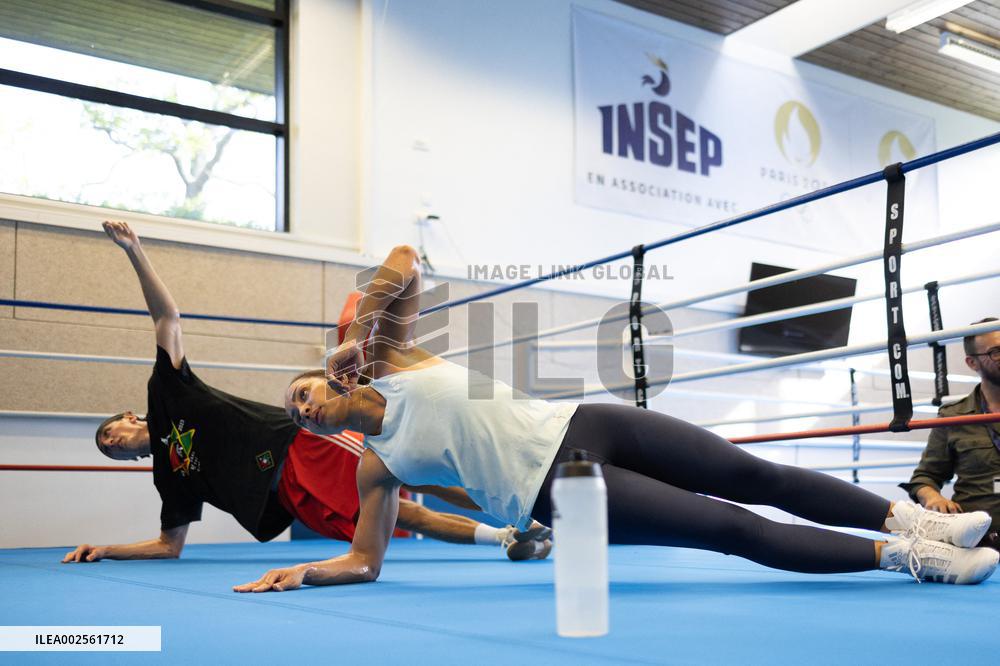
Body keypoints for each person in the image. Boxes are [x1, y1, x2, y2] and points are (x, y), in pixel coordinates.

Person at [235, 245, 999, 593]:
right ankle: (914, 561)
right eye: (296, 415)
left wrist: (364, 329)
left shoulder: (390, 358)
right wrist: (304, 572)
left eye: (301, 393)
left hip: (585, 423)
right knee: (729, 526)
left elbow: (406, 259)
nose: (301, 407)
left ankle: (916, 521)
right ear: (317, 430)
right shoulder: (378, 466)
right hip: (558, 491)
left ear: (325, 378)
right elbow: (366, 561)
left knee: (754, 472)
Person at [63, 223, 551, 566]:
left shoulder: (167, 393)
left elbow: (166, 319)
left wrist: (134, 250)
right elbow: (168, 546)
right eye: (109, 450)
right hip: (286, 496)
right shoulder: (168, 477)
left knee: (418, 476)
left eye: (109, 433)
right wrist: (106, 550)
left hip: (298, 446)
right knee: (394, 510)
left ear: (130, 416)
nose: (113, 443)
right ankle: (510, 534)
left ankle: (520, 519)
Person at [900, 318, 1000, 550]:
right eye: (996, 352)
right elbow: (924, 478)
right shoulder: (953, 416)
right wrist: (933, 498)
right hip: (977, 542)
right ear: (972, 363)